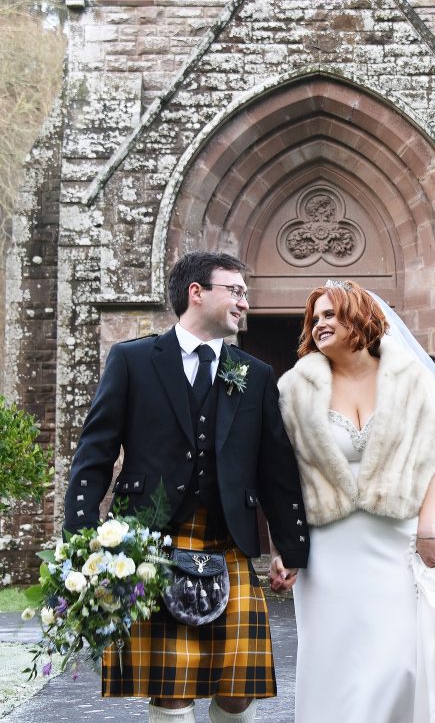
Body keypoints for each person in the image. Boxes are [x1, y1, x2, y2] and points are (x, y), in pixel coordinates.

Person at [63, 251, 309, 723]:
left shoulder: (254, 374)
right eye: (235, 291)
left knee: (239, 688)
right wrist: (80, 536)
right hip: (153, 543)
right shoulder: (133, 360)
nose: (245, 303)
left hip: (229, 542)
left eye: (246, 293)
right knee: (171, 687)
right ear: (196, 292)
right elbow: (94, 453)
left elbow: (276, 469)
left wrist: (288, 548)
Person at [277, 280, 435, 722]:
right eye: (316, 317)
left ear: (358, 318)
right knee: (335, 668)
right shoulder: (294, 387)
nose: (319, 323)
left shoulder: (410, 379)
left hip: (397, 541)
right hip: (327, 549)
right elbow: (284, 474)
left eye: (330, 314)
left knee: (399, 664)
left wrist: (427, 529)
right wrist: (284, 547)